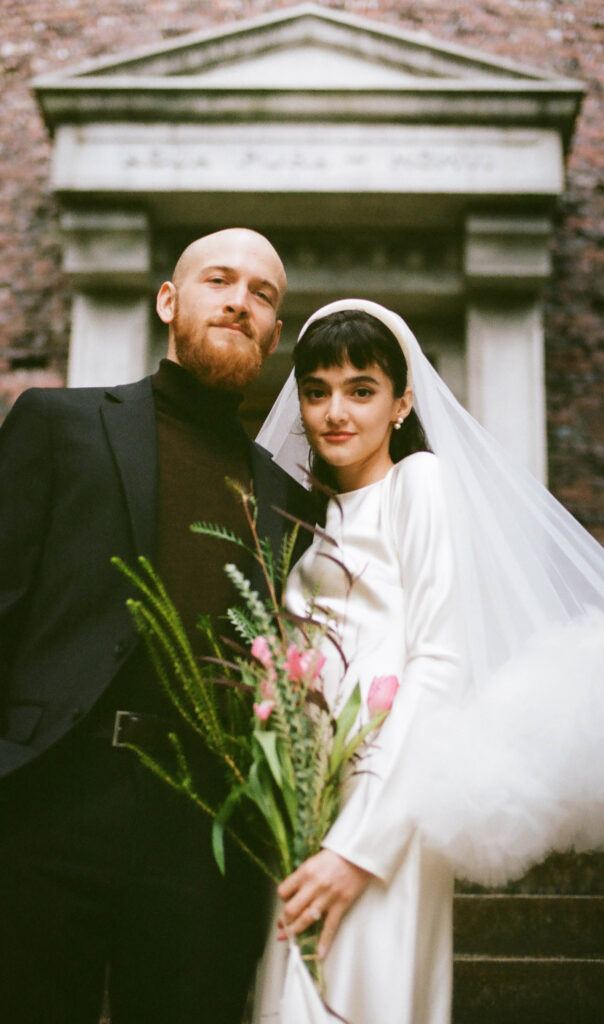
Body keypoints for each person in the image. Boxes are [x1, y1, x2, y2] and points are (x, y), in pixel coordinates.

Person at [252, 299, 604, 1024]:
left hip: (392, 799)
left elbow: (439, 664)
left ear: (402, 401)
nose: (334, 411)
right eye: (316, 391)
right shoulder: (309, 521)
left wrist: (360, 847)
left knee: (366, 998)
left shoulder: (420, 487)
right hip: (307, 797)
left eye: (360, 389)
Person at [0, 227, 312, 1024]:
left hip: (203, 844)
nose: (240, 301)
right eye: (219, 280)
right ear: (170, 301)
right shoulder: (56, 424)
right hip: (47, 810)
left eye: (263, 295)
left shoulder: (288, 502)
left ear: (274, 337)